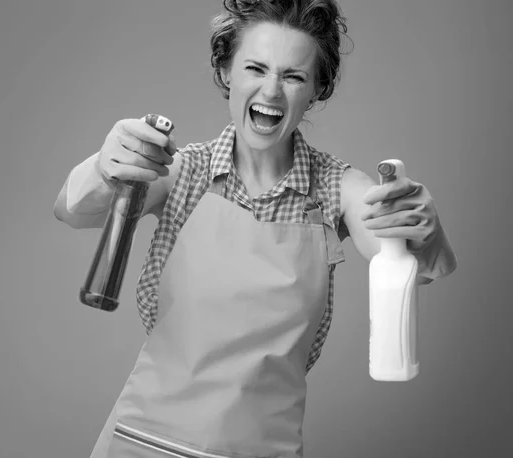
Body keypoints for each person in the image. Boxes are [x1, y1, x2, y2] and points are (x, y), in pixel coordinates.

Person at [54, 0, 457, 456]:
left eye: (293, 76)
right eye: (255, 68)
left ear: (317, 88)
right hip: (147, 443)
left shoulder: (336, 190)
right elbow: (72, 210)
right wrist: (106, 167)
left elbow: (411, 266)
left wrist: (420, 224)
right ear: (227, 71)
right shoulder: (182, 172)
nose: (271, 92)